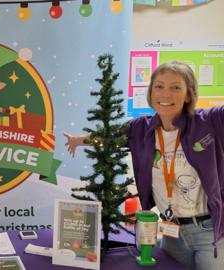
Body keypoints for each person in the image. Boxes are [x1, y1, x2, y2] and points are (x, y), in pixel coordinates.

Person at [64, 61, 224, 270]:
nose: (165, 94)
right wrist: (79, 140)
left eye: (175, 87)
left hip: (209, 231)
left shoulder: (209, 121)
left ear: (188, 94)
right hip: (171, 232)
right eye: (159, 86)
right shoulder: (141, 128)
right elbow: (109, 138)